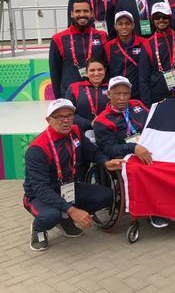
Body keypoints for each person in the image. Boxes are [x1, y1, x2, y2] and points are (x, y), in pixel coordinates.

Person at [23, 99, 123, 251]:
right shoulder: (38, 149)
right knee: (50, 216)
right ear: (48, 120)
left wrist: (105, 162)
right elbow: (40, 188)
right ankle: (39, 229)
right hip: (39, 194)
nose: (65, 121)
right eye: (59, 117)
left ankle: (65, 219)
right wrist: (73, 210)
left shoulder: (75, 131)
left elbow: (93, 151)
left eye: (69, 115)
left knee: (108, 196)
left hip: (68, 187)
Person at [92, 76, 166, 228]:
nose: (122, 98)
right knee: (146, 168)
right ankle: (154, 211)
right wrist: (133, 148)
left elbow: (154, 121)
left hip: (148, 147)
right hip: (125, 155)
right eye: (117, 94)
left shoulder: (137, 104)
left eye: (125, 94)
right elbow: (108, 148)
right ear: (109, 94)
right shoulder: (102, 121)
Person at [50, 0, 108, 99]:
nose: (82, 14)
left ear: (92, 14)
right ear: (71, 14)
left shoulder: (102, 36)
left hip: (97, 94)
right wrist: (59, 99)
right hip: (69, 95)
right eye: (77, 11)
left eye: (85, 11)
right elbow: (55, 72)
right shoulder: (58, 38)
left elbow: (107, 66)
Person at [139, 2, 175, 106]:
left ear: (170, 18)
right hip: (159, 96)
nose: (161, 20)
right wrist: (147, 104)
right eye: (157, 17)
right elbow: (143, 77)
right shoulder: (147, 43)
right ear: (152, 20)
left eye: (164, 16)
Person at [104, 11, 145, 99]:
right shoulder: (108, 46)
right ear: (115, 26)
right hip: (118, 94)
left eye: (127, 23)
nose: (124, 27)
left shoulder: (144, 43)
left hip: (138, 93)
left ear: (133, 25)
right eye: (120, 24)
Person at [64, 58, 109, 133]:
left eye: (100, 69)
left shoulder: (111, 88)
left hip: (107, 131)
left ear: (105, 70)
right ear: (86, 72)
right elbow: (68, 113)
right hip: (80, 132)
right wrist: (89, 123)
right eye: (92, 70)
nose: (96, 73)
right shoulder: (74, 87)